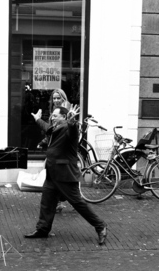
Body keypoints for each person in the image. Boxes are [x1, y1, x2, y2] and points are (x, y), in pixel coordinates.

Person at [24, 105, 108, 245]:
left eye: (55, 115)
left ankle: (100, 226)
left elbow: (74, 131)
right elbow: (47, 129)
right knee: (47, 202)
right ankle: (43, 229)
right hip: (52, 173)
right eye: (52, 115)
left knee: (78, 203)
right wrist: (38, 120)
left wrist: (72, 121)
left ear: (64, 117)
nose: (52, 117)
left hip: (65, 174)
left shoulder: (68, 128)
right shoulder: (55, 129)